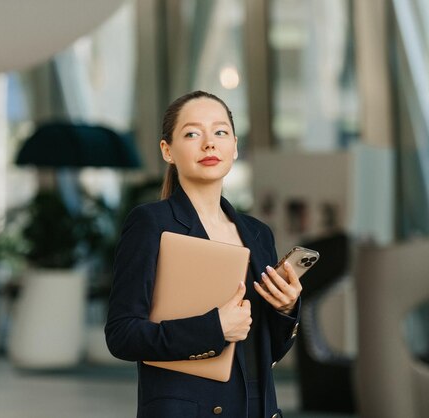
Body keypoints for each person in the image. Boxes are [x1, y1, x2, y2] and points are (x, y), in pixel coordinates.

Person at [105, 90, 302, 418]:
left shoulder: (258, 234)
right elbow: (122, 335)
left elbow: (265, 352)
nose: (209, 144)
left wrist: (286, 308)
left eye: (220, 132)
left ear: (235, 146)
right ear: (167, 150)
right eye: (193, 133)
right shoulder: (152, 223)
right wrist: (215, 328)